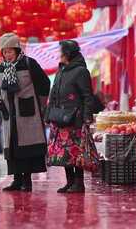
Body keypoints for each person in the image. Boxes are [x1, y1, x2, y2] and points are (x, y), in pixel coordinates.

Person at [0, 33, 50, 192]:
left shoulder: (29, 64)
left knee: (26, 148)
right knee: (13, 148)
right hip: (8, 114)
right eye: (5, 51)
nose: (7, 55)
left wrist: (40, 105)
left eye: (10, 51)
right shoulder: (0, 67)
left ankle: (26, 181)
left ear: (17, 50)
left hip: (28, 113)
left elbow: (45, 84)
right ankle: (16, 180)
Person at [46, 40, 94, 193]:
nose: (58, 54)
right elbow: (53, 94)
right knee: (64, 152)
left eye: (60, 52)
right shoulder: (61, 70)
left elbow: (87, 96)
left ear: (67, 53)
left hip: (76, 119)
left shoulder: (80, 71)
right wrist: (48, 114)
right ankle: (70, 182)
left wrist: (87, 117)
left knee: (75, 151)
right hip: (60, 118)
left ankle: (79, 183)